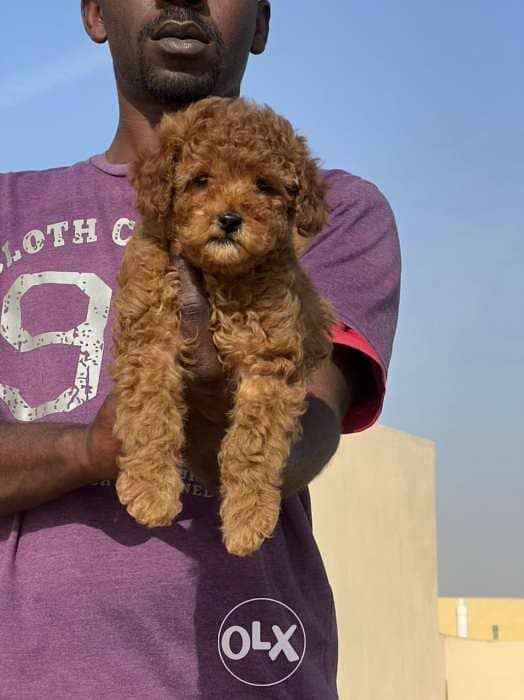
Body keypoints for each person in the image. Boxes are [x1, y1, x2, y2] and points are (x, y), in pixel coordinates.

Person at [0, 1, 401, 697]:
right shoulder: (8, 211)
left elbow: (309, 436)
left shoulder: (329, 208)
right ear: (95, 14)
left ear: (264, 23)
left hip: (250, 669)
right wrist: (87, 451)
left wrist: (215, 395)